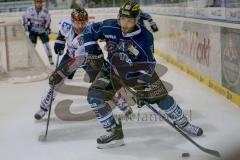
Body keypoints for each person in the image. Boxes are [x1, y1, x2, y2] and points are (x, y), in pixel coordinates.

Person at [84, 0, 203, 149]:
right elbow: (89, 31)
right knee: (94, 98)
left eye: (130, 20)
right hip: (111, 70)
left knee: (162, 98)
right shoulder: (109, 26)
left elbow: (149, 66)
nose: (125, 24)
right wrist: (93, 51)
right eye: (122, 19)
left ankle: (183, 123)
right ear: (118, 16)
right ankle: (114, 132)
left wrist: (138, 88)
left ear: (137, 19)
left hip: (137, 73)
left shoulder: (145, 37)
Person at [34, 7, 132, 120]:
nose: (80, 26)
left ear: (87, 21)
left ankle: (122, 104)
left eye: (83, 22)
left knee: (102, 83)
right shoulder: (66, 24)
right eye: (77, 22)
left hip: (91, 58)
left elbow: (82, 56)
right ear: (72, 21)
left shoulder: (91, 29)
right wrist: (60, 40)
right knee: (56, 80)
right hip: (71, 55)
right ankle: (43, 107)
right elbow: (62, 32)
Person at [22, 0, 54, 65]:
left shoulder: (45, 11)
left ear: (42, 3)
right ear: (35, 3)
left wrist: (47, 28)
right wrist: (26, 26)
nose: (38, 4)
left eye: (40, 2)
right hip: (33, 31)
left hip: (42, 31)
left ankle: (50, 60)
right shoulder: (29, 10)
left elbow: (48, 21)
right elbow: (24, 17)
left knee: (46, 45)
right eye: (37, 2)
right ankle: (29, 61)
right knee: (31, 46)